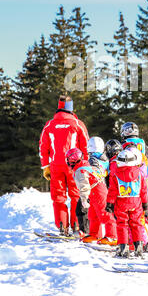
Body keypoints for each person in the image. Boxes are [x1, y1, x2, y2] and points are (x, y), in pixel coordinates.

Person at [39, 95, 89, 236]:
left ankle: (62, 226)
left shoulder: (49, 125)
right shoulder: (78, 124)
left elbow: (43, 147)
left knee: (58, 197)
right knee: (76, 195)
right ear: (71, 109)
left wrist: (45, 166)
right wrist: (85, 165)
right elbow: (86, 146)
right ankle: (76, 226)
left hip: (55, 166)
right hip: (75, 166)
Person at [66, 147, 117, 246]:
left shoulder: (80, 171)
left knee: (104, 213)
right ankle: (95, 234)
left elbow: (84, 187)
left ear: (72, 160)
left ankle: (112, 236)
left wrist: (84, 199)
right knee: (92, 215)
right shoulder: (85, 165)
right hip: (94, 192)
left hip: (98, 191)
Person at [106, 148, 148, 257]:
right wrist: (145, 204)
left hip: (121, 202)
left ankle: (123, 247)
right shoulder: (139, 174)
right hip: (136, 202)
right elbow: (143, 190)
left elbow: (112, 190)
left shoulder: (115, 174)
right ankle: (138, 246)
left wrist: (110, 203)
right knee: (136, 224)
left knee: (122, 224)